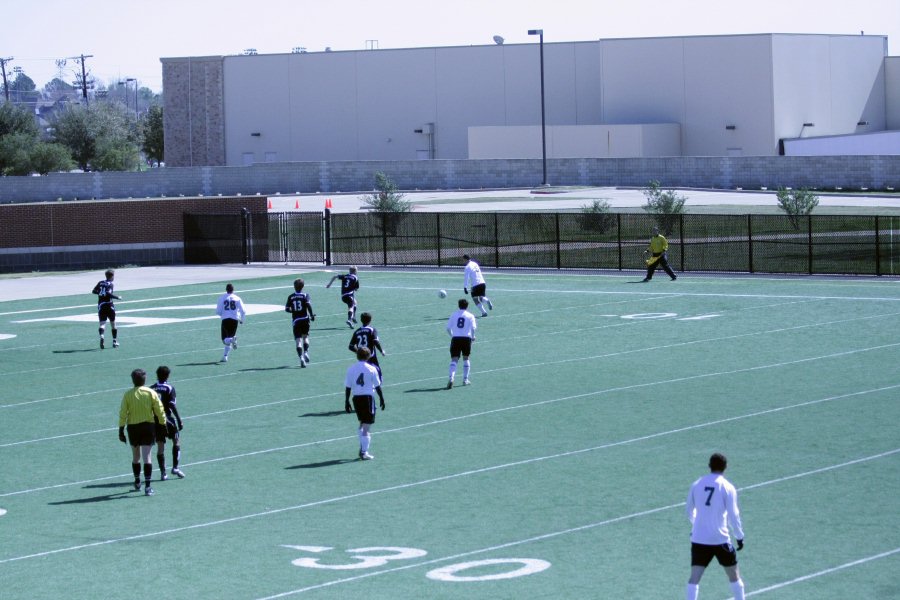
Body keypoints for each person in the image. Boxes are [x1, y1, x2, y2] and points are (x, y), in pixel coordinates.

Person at [685, 453, 746, 600]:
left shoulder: (697, 484)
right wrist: (739, 536)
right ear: (725, 467)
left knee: (694, 578)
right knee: (734, 576)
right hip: (720, 539)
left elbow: (688, 510)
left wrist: (698, 525)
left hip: (699, 539)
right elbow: (734, 515)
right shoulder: (728, 487)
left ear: (709, 466)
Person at [118, 368, 167, 496]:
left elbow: (123, 413)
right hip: (148, 427)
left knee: (136, 456)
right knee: (147, 457)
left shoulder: (128, 394)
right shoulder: (151, 392)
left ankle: (137, 482)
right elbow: (159, 410)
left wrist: (121, 430)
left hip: (133, 428)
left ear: (132, 380)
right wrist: (163, 424)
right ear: (144, 379)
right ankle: (148, 487)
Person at [344, 347, 386, 460]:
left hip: (356, 398)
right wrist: (382, 398)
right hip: (367, 398)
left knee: (362, 423)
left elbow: (348, 387)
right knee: (367, 427)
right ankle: (364, 451)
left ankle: (362, 447)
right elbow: (377, 386)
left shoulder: (351, 369)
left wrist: (346, 401)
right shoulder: (372, 369)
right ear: (368, 356)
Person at [150, 366, 185, 481]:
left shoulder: (151, 389)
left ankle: (163, 473)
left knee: (160, 446)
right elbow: (172, 405)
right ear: (167, 376)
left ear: (157, 375)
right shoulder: (169, 388)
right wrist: (179, 419)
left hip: (155, 421)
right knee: (176, 441)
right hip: (168, 419)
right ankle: (175, 467)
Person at [446, 298, 477, 389]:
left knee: (454, 359)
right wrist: (473, 336)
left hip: (456, 338)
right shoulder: (470, 316)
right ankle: (465, 379)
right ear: (467, 306)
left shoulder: (454, 314)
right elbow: (473, 328)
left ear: (458, 305)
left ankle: (451, 378)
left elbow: (448, 328)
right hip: (466, 339)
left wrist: (452, 336)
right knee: (466, 357)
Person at [285, 278, 316, 368]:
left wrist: (293, 311)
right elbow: (308, 305)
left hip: (296, 320)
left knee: (298, 340)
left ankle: (301, 357)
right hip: (305, 319)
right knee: (305, 336)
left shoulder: (291, 296)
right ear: (303, 286)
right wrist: (312, 315)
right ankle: (306, 352)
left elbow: (287, 309)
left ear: (294, 287)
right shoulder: (305, 295)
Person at [349, 312, 386, 379]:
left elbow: (351, 346)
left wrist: (359, 352)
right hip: (371, 357)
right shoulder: (372, 330)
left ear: (361, 320)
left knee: (364, 374)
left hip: (361, 358)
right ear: (370, 320)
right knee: (377, 374)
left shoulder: (356, 331)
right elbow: (375, 341)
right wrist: (381, 351)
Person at [216, 283, 245, 363]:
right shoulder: (237, 298)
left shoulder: (222, 298)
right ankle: (225, 356)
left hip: (225, 320)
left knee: (224, 339)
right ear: (233, 290)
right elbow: (243, 310)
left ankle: (232, 340)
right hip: (234, 320)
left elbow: (218, 311)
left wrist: (223, 314)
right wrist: (242, 319)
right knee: (228, 339)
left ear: (226, 289)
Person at [92, 269, 122, 349]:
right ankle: (114, 341)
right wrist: (117, 297)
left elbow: (94, 291)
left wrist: (100, 293)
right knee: (113, 324)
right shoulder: (110, 284)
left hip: (101, 305)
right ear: (112, 276)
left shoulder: (100, 282)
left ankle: (102, 336)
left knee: (102, 324)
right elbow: (109, 294)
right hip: (109, 305)